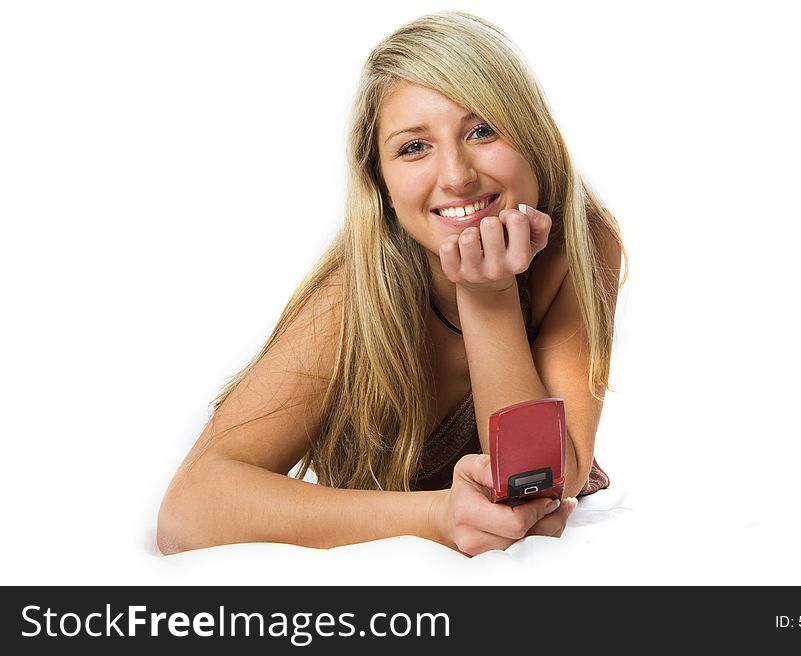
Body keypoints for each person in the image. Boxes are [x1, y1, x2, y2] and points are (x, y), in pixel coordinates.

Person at [157, 10, 627, 557]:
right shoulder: (349, 298)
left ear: (535, 135)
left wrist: (487, 296)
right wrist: (435, 516)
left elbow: (535, 482)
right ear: (380, 184)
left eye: (482, 130)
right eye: (414, 147)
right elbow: (186, 511)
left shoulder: (583, 241)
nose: (456, 176)